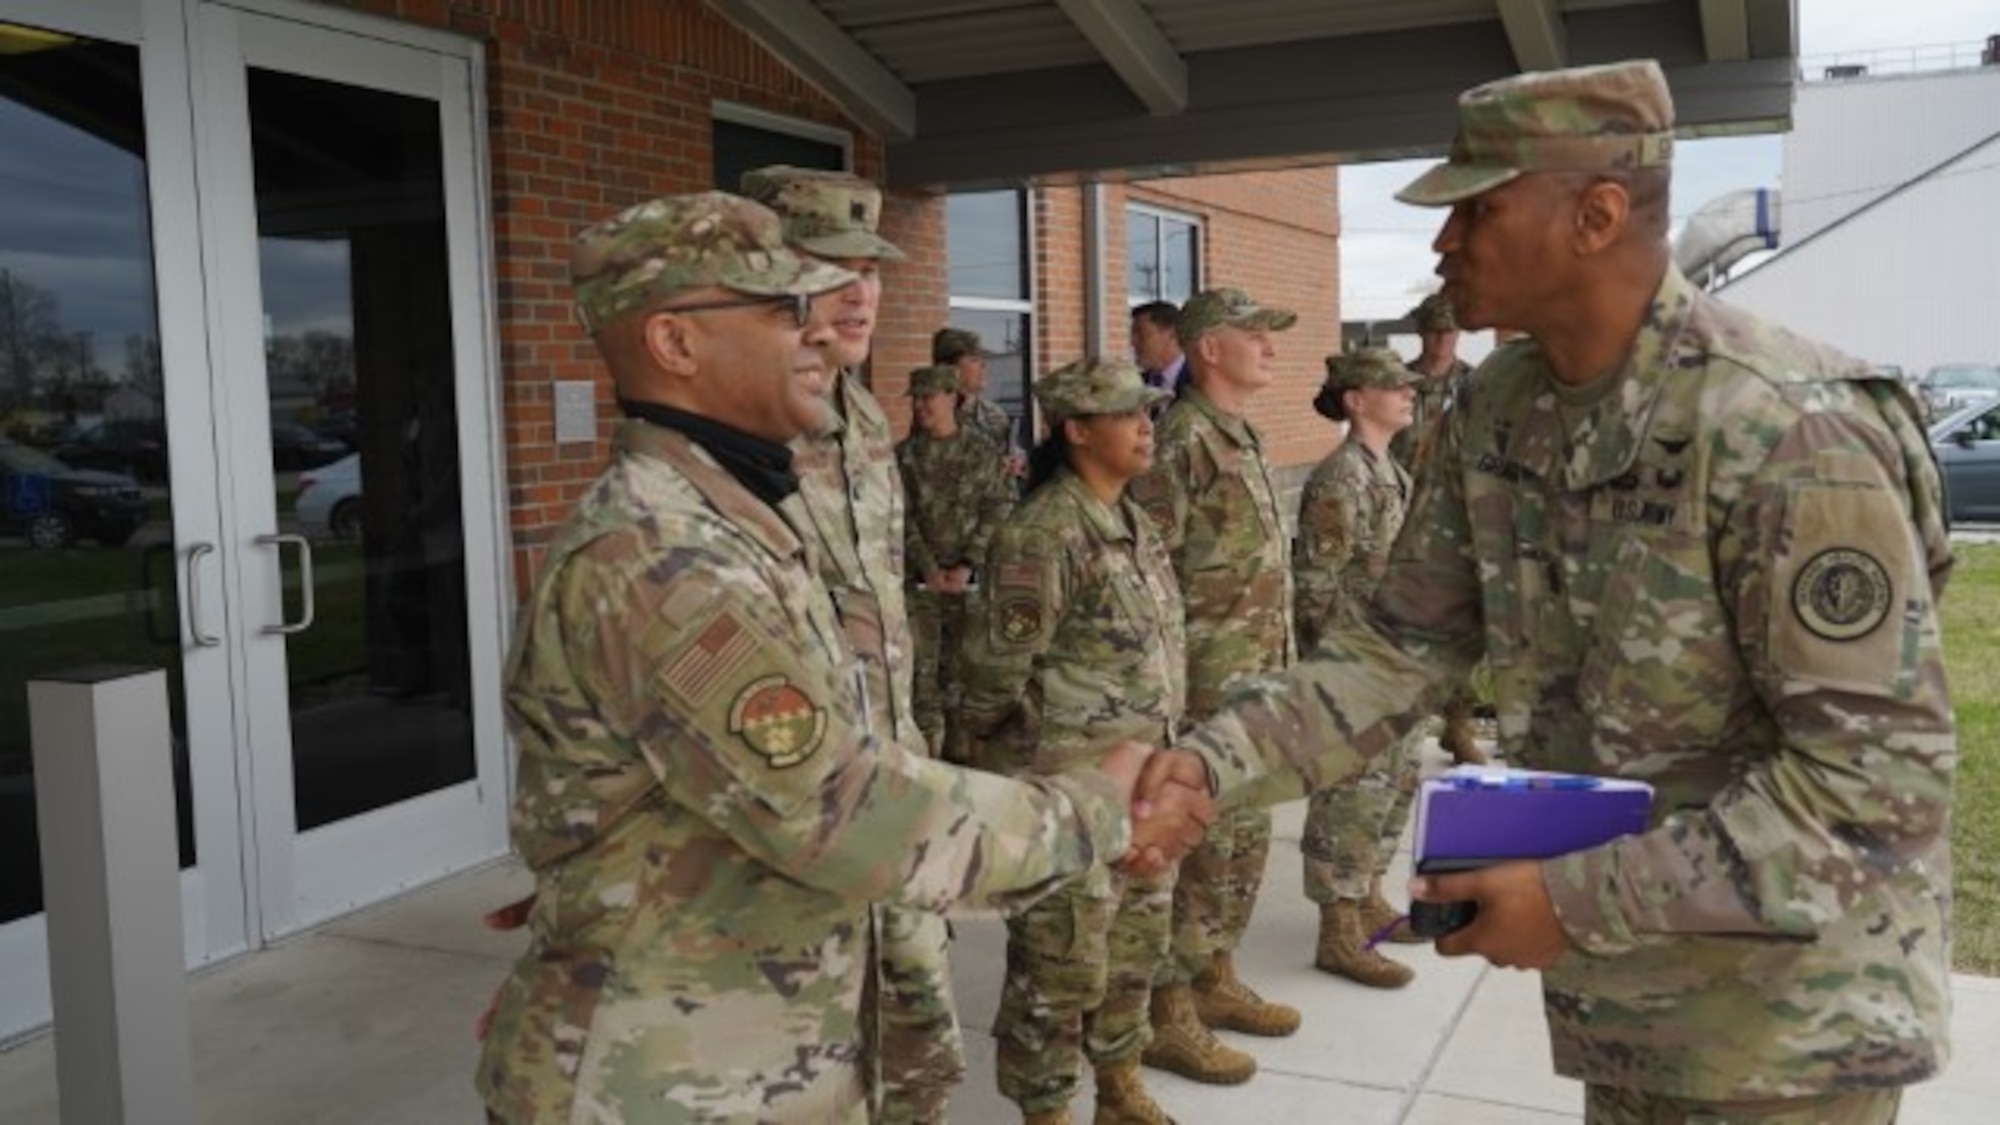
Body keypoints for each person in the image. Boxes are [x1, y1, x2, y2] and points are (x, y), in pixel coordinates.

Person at [1137, 58, 1957, 1125]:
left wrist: (1569, 901)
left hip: (1782, 1031)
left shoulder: (1781, 426)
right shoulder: (1497, 410)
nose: (1443, 243)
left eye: (1474, 212)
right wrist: (1205, 768)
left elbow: (1875, 784)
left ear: (1594, 215)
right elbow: (1393, 651)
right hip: (1624, 1002)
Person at [472, 192, 1214, 1124]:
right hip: (672, 1081)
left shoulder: (735, 517)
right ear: (674, 343)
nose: (822, 334)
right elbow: (844, 809)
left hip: (750, 1043)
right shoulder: (665, 557)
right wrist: (1100, 807)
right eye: (787, 310)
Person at [741, 164, 964, 1124]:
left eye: (870, 265)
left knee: (917, 1040)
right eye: (832, 264)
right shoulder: (733, 430)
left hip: (891, 773)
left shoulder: (862, 413)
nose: (862, 288)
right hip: (794, 808)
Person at [959, 358, 1182, 1125]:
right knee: (1058, 966)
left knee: (1134, 946)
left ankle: (1117, 1083)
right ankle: (1047, 1107)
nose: (1146, 426)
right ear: (1077, 429)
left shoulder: (1133, 520)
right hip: (1065, 791)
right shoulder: (1044, 533)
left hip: (1143, 785)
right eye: (1128, 414)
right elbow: (990, 672)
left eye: (1149, 411)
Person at [1127, 286, 1301, 1086]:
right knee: (1195, 850)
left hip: (1256, 683)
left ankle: (1215, 975)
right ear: (1208, 349)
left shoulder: (1243, 433)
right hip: (1205, 690)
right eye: (1254, 332)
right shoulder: (1181, 441)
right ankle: (1168, 1014)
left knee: (1241, 843)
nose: (1269, 345)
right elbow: (1148, 572)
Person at [1292, 346, 1428, 988]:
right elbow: (1315, 583)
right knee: (1349, 790)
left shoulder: (1387, 470)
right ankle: (1338, 929)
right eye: (1393, 386)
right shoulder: (1340, 477)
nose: (1408, 394)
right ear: (1355, 400)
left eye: (1409, 386)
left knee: (1394, 781)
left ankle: (1368, 893)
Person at [897, 362, 1015, 761]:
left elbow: (998, 505)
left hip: (971, 582)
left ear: (952, 397)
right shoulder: (906, 456)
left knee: (964, 675)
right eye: (914, 398)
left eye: (927, 397)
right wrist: (928, 567)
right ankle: (926, 761)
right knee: (922, 676)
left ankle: (963, 761)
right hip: (920, 583)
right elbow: (900, 515)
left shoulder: (982, 451)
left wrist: (968, 563)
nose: (919, 406)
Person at [1390, 291, 1490, 766]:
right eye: (1432, 331)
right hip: (1400, 515)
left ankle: (1458, 722)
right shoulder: (1399, 385)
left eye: (1448, 331)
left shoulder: (1477, 386)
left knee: (1462, 621)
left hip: (1455, 518)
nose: (1440, 340)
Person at [933, 325, 1026, 476]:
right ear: (949, 368)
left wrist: (1017, 465)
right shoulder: (932, 415)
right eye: (974, 360)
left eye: (983, 359)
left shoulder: (995, 414)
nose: (984, 365)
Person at [1130, 301, 1187, 398]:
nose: (1133, 342)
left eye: (1141, 334)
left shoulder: (1198, 382)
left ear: (1171, 334)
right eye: (1133, 334)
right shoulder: (1136, 385)